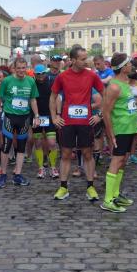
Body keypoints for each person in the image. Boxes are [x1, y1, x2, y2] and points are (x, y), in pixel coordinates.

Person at [50, 46, 104, 201]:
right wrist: (54, 117)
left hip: (86, 122)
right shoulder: (62, 76)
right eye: (82, 59)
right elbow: (53, 97)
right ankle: (63, 187)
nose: (86, 61)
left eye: (86, 58)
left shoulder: (92, 75)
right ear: (73, 60)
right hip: (67, 122)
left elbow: (105, 94)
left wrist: (100, 115)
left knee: (87, 153)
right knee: (66, 154)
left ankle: (90, 187)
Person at [100, 53, 137, 212]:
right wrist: (111, 134)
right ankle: (108, 200)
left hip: (130, 128)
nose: (131, 65)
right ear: (123, 68)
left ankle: (115, 194)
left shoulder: (126, 83)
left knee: (123, 160)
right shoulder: (114, 87)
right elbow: (106, 112)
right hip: (120, 129)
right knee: (116, 161)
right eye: (129, 63)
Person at [0, 57, 39, 188]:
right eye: (18, 68)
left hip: (24, 118)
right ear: (14, 68)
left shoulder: (31, 81)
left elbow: (33, 100)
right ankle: (3, 174)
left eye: (23, 68)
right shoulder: (7, 81)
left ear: (26, 68)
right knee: (6, 146)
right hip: (9, 116)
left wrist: (36, 116)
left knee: (21, 147)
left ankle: (18, 175)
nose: (21, 70)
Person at [32, 65, 59, 179]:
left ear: (46, 73)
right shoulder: (32, 83)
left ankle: (53, 167)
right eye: (38, 74)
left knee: (52, 143)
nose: (41, 76)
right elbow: (31, 99)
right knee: (38, 143)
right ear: (34, 74)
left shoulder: (51, 81)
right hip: (36, 116)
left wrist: (58, 114)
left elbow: (57, 98)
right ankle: (41, 168)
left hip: (49, 115)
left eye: (43, 73)